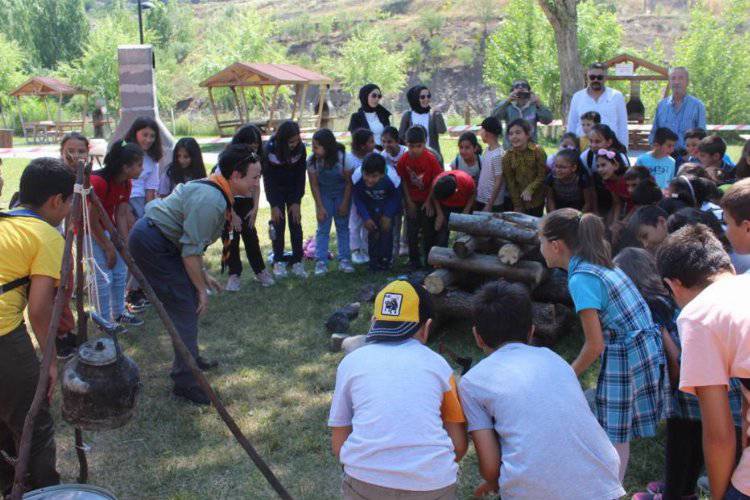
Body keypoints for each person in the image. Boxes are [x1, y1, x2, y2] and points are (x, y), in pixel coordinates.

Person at [459, 281, 624, 500]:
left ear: (477, 336)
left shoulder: (472, 383)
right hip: (602, 478)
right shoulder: (554, 359)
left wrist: (491, 482)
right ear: (531, 331)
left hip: (534, 490)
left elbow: (490, 468)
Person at [539, 209, 665, 481]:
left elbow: (594, 345)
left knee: (614, 431)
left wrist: (568, 375)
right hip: (642, 349)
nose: (540, 249)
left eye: (540, 242)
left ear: (556, 245)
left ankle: (609, 487)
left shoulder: (581, 278)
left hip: (626, 355)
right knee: (617, 428)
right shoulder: (600, 264)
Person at [129, 144, 260, 405]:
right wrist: (201, 289)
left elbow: (191, 246)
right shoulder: (211, 201)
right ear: (235, 175)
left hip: (165, 242)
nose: (257, 184)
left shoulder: (219, 190)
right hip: (153, 242)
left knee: (186, 302)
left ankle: (190, 359)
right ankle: (185, 381)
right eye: (254, 177)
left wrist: (203, 277)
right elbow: (190, 252)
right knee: (185, 304)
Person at [617, 248, 742, 500]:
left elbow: (676, 360)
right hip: (715, 386)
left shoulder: (651, 308)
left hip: (689, 391)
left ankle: (677, 493)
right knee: (698, 447)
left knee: (682, 450)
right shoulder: (669, 299)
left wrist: (671, 385)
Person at [328, 280, 467, 499]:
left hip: (365, 482)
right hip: (433, 484)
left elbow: (339, 443)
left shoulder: (351, 363)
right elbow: (458, 444)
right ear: (426, 328)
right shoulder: (440, 366)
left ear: (374, 322)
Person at [656, 225, 750, 500]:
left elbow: (718, 434)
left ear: (673, 285)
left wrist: (720, 496)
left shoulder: (698, 316)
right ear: (727, 264)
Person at [0, 158, 75, 496]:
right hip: (3, 336)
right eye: (70, 201)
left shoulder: (7, 222)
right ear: (56, 201)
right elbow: (40, 308)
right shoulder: (46, 236)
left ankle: (9, 486)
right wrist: (50, 360)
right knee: (34, 422)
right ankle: (45, 491)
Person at [89, 141, 145, 328]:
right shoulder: (99, 183)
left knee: (120, 271)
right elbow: (91, 221)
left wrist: (123, 243)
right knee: (104, 277)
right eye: (139, 165)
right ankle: (104, 321)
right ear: (125, 167)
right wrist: (108, 247)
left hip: (106, 226)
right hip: (88, 231)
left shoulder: (126, 183)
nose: (142, 169)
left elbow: (121, 214)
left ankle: (119, 313)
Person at [122, 117, 166, 313]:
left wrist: (148, 217)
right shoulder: (123, 152)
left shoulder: (153, 159)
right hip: (122, 202)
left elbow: (151, 189)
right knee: (125, 248)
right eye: (144, 134)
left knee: (142, 247)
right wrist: (125, 210)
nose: (148, 139)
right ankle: (125, 293)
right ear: (135, 133)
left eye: (152, 136)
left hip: (141, 204)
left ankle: (137, 290)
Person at [224, 124, 275, 290]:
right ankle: (234, 274)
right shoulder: (228, 159)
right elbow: (223, 187)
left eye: (256, 147)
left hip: (247, 203)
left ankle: (260, 271)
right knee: (231, 238)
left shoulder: (255, 161)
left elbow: (256, 185)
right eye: (249, 147)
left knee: (251, 237)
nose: (253, 151)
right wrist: (232, 213)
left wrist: (254, 209)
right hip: (229, 202)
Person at [263, 120, 308, 279]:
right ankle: (278, 260)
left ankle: (297, 260)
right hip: (276, 191)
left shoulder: (301, 150)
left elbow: (301, 177)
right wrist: (274, 204)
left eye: (297, 140)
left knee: (295, 222)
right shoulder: (269, 150)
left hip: (293, 190)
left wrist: (296, 201)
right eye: (291, 141)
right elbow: (268, 180)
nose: (295, 144)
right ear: (282, 140)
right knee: (278, 224)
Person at [307, 128, 355, 276]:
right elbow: (314, 185)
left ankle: (344, 260)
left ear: (327, 146)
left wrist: (345, 203)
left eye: (316, 147)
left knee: (342, 227)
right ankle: (321, 261)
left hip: (342, 193)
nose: (313, 149)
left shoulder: (344, 159)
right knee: (323, 228)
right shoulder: (312, 162)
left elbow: (348, 183)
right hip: (324, 195)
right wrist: (320, 207)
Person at [397, 126, 444, 270]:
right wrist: (409, 202)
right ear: (406, 143)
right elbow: (404, 180)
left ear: (424, 144)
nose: (414, 150)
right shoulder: (404, 159)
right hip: (412, 200)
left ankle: (429, 262)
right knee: (411, 232)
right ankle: (414, 261)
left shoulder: (431, 159)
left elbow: (436, 181)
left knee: (428, 231)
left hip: (427, 200)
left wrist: (429, 201)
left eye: (419, 146)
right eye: (411, 146)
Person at [351, 154, 402, 272]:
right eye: (367, 175)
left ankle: (386, 261)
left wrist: (388, 215)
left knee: (386, 232)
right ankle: (373, 262)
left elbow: (396, 197)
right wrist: (366, 217)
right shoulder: (357, 176)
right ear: (362, 171)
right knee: (373, 233)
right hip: (370, 206)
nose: (369, 180)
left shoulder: (392, 177)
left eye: (374, 176)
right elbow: (358, 199)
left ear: (382, 174)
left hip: (387, 206)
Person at [567, 62, 629, 148]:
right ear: (587, 77)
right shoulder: (577, 97)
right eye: (592, 77)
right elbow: (571, 125)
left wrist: (623, 150)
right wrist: (569, 148)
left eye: (599, 77)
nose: (595, 80)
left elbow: (622, 126)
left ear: (605, 78)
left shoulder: (616, 96)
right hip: (583, 147)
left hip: (610, 149)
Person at [649, 67, 706, 151]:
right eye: (673, 78)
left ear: (687, 82)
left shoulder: (697, 106)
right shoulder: (661, 105)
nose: (676, 82)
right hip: (665, 157)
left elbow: (702, 137)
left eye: (680, 78)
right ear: (669, 81)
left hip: (688, 158)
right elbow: (654, 132)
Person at [502, 119, 547, 216]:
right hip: (518, 201)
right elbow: (511, 182)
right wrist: (518, 205)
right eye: (511, 134)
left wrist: (530, 188)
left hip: (537, 200)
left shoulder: (538, 151)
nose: (514, 136)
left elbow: (542, 175)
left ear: (527, 135)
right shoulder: (507, 156)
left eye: (518, 132)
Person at [491, 79, 553, 150]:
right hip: (510, 149)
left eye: (524, 85)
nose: (520, 88)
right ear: (512, 91)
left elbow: (548, 120)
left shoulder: (534, 107)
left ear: (529, 91)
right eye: (517, 86)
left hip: (530, 150)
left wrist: (539, 103)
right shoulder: (508, 107)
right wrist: (507, 100)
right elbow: (493, 117)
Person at [348, 129, 377, 265]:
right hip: (355, 197)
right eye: (371, 142)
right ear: (362, 145)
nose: (374, 144)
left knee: (367, 224)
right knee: (355, 223)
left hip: (370, 197)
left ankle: (366, 250)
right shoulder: (350, 159)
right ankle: (355, 250)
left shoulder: (375, 155)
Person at [379, 126, 409, 259]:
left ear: (397, 141)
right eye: (383, 141)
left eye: (389, 141)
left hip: (407, 190)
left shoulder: (406, 153)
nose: (386, 145)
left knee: (408, 218)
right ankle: (394, 248)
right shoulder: (383, 156)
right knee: (395, 220)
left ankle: (405, 244)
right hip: (392, 193)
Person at [430, 169, 476, 246]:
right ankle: (440, 254)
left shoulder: (467, 181)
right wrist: (439, 214)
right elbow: (435, 196)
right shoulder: (437, 182)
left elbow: (473, 193)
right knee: (441, 232)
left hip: (462, 206)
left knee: (463, 235)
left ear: (455, 191)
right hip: (444, 207)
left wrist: (466, 210)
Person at [399, 85, 446, 159]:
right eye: (422, 97)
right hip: (414, 157)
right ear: (416, 98)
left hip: (432, 156)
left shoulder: (432, 114)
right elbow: (401, 136)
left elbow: (442, 130)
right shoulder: (408, 115)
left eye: (428, 96)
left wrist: (438, 114)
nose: (426, 99)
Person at [544, 148, 595, 213]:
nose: (558, 170)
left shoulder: (582, 179)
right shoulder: (551, 178)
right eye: (556, 166)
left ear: (574, 168)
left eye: (563, 167)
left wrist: (578, 216)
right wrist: (554, 214)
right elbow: (550, 199)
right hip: (559, 210)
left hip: (578, 210)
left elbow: (588, 203)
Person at [475, 117, 505, 211]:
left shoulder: (498, 155)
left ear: (487, 133)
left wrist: (489, 204)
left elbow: (499, 180)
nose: (480, 133)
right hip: (482, 199)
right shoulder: (487, 150)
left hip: (492, 203)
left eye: (481, 129)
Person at [596, 149, 632, 226]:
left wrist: (624, 221)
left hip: (641, 207)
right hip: (627, 206)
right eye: (598, 166)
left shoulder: (628, 180)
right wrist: (615, 222)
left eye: (603, 165)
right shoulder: (608, 181)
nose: (600, 169)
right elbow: (617, 202)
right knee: (609, 223)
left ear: (616, 165)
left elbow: (638, 203)